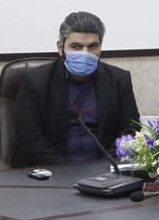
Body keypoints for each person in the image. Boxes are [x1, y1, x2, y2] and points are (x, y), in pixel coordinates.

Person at [13, 11, 141, 169]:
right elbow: (28, 137)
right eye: (76, 46)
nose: (85, 53)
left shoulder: (119, 80)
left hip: (105, 168)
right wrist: (65, 170)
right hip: (53, 169)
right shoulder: (35, 81)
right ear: (60, 47)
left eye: (93, 46)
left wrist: (107, 166)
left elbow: (130, 130)